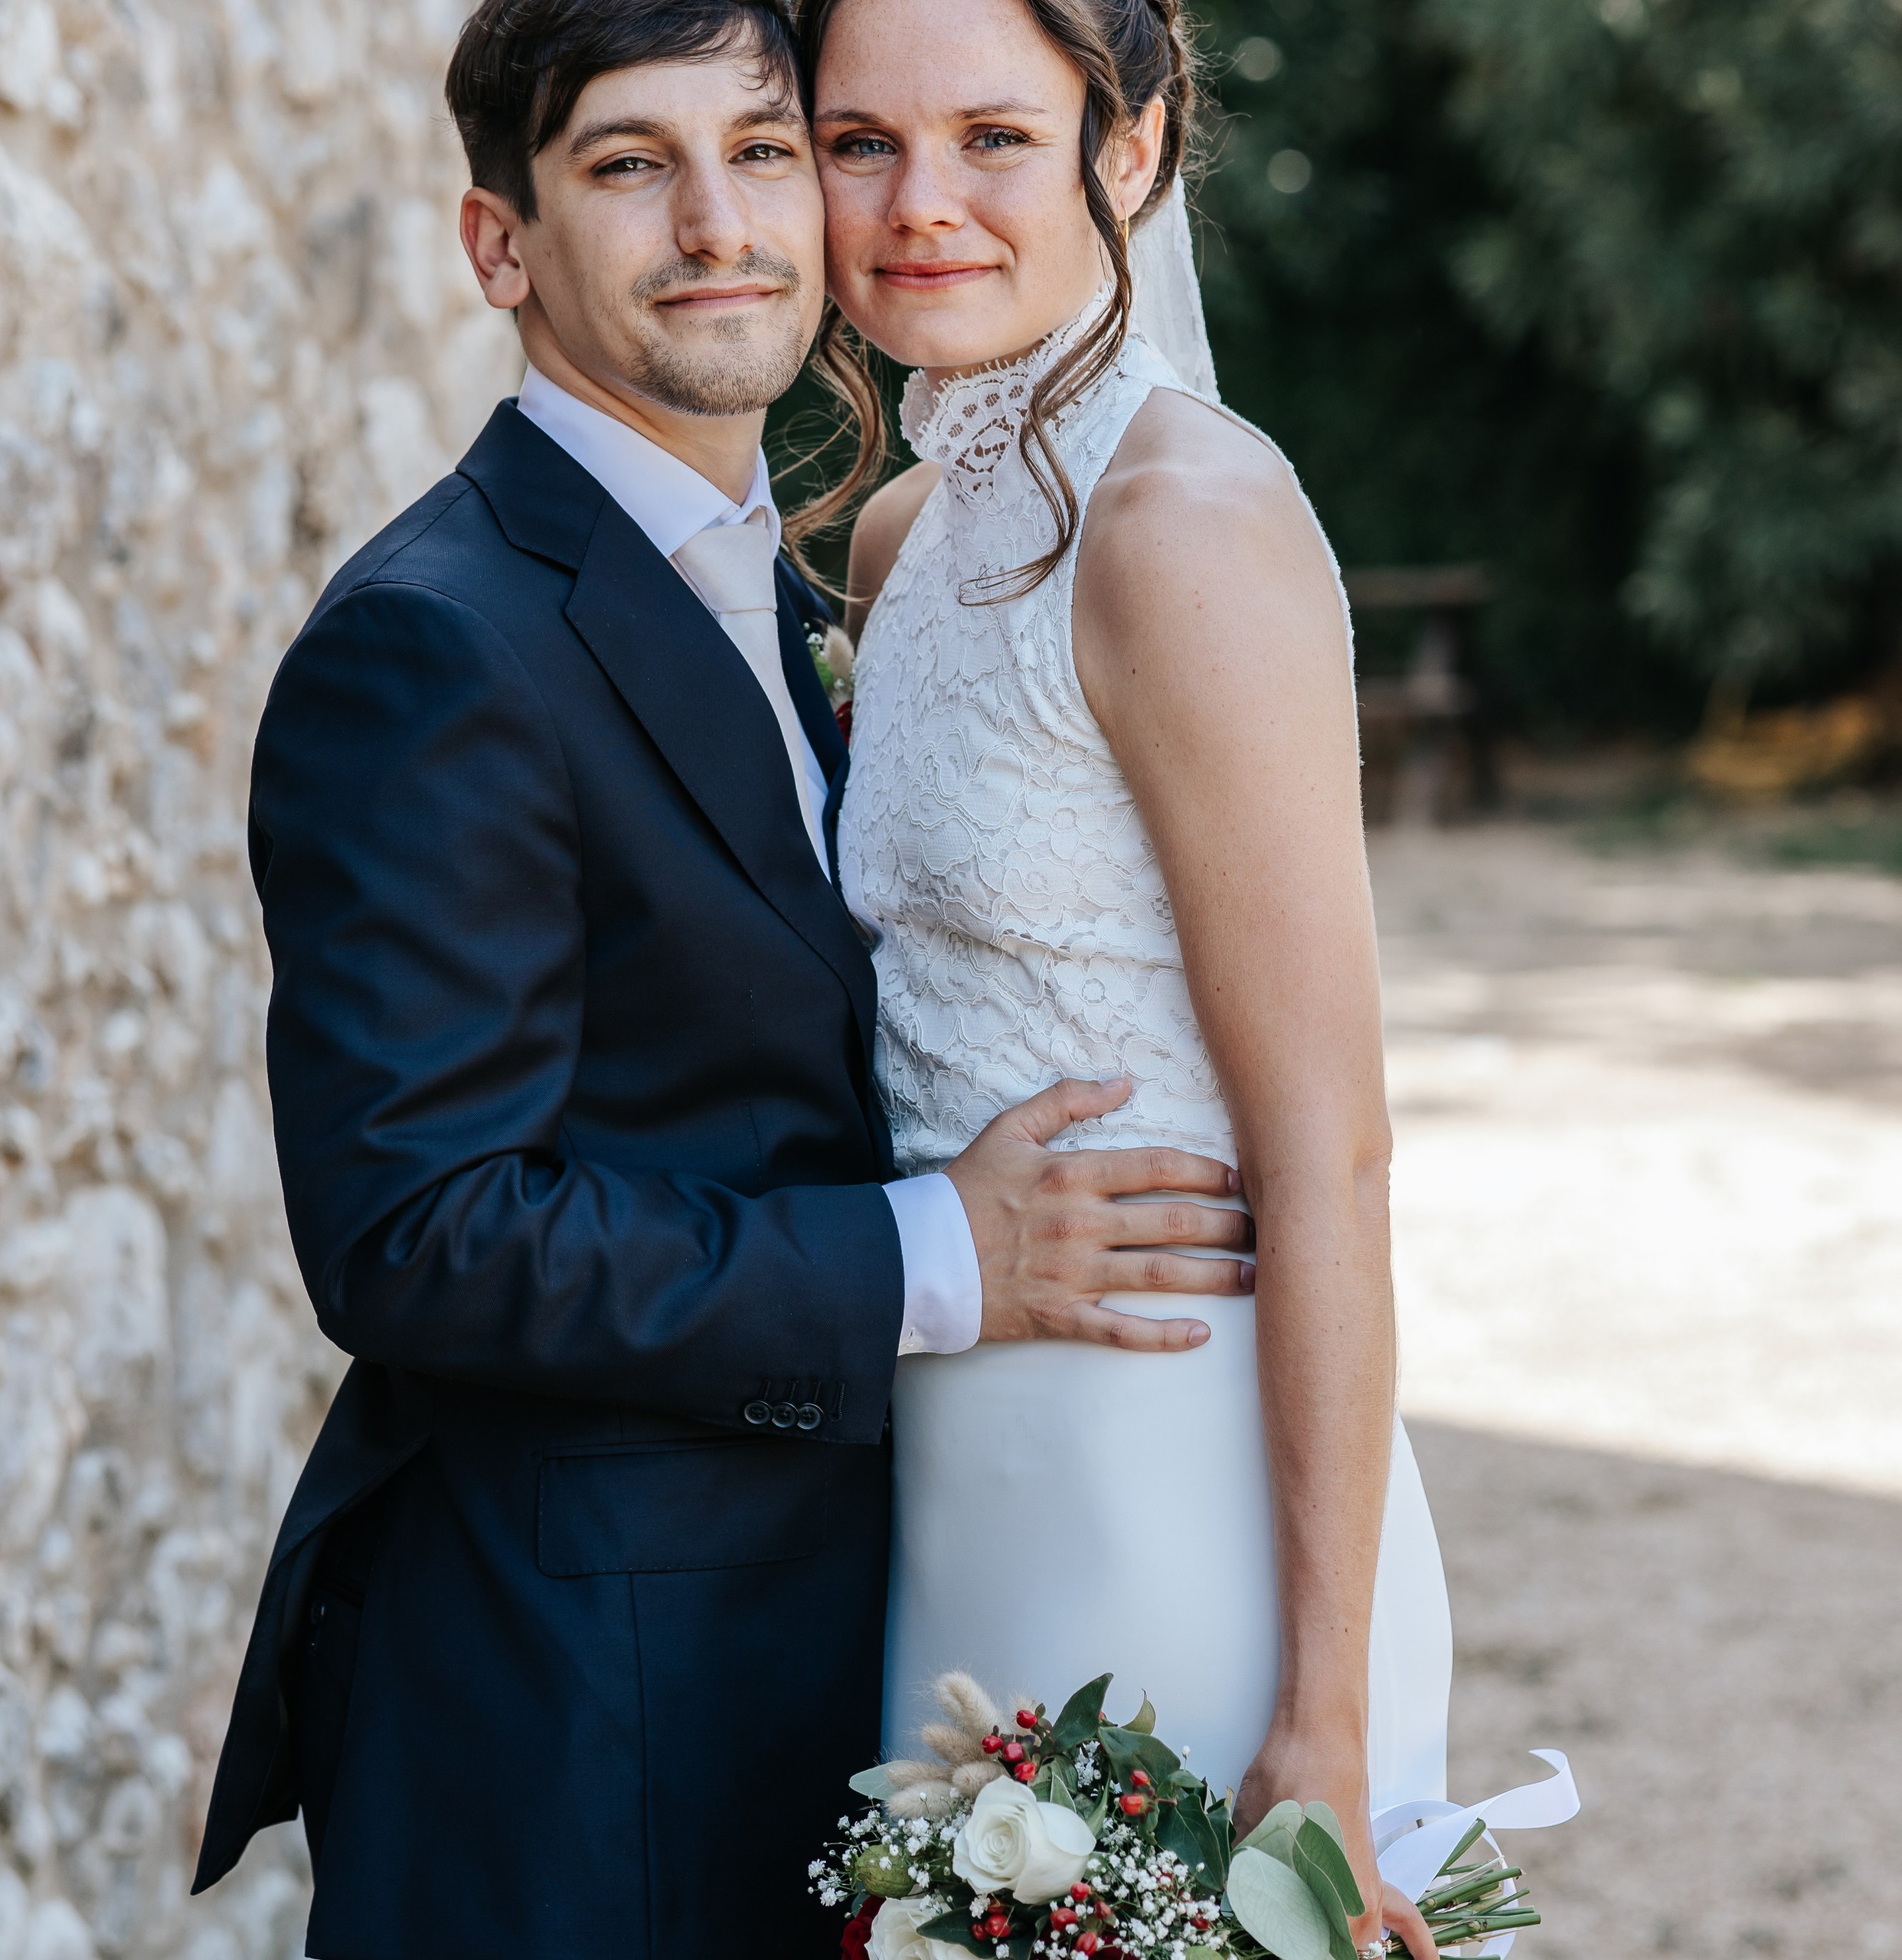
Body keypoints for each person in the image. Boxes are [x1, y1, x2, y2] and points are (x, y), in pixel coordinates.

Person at [188, 2, 1253, 1954]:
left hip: (838, 1635)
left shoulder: (793, 579)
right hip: (578, 1713)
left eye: (763, 150)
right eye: (628, 165)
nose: (717, 224)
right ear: (499, 244)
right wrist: (938, 1252)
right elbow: (416, 1229)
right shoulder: (435, 643)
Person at [805, 0, 1454, 1952]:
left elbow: (1331, 1153)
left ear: (1133, 144)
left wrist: (1321, 1711)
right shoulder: (897, 534)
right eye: (857, 141)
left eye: (992, 137)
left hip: (1170, 1481)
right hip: (958, 1478)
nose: (917, 205)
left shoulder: (1184, 520)